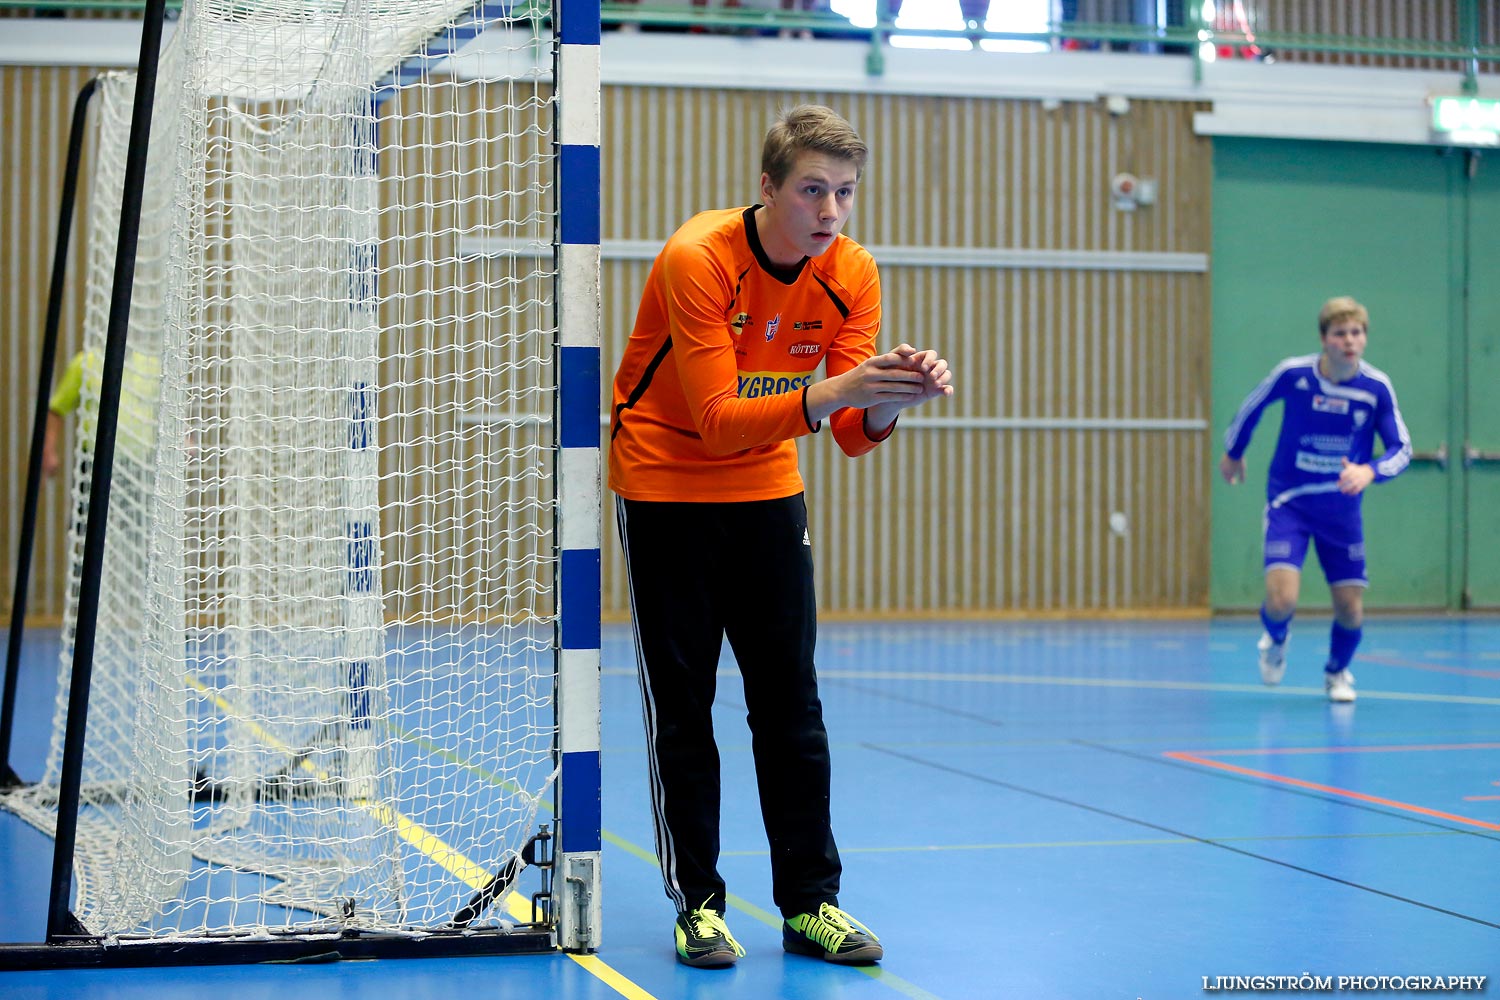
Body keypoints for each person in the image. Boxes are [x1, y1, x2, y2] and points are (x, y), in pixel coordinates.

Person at [608, 104, 953, 968]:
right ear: (767, 189)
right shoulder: (700, 260)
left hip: (767, 490)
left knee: (791, 707)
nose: (830, 211)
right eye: (812, 190)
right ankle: (697, 905)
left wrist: (888, 397)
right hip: (666, 485)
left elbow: (847, 435)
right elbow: (720, 421)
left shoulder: (852, 273)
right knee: (685, 711)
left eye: (844, 192)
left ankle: (811, 905)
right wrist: (840, 393)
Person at [1219, 296, 1411, 703]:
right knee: (1282, 598)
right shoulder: (1293, 374)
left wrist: (1369, 471)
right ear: (1324, 339)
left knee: (1349, 609)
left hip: (1341, 512)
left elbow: (1402, 449)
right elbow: (1252, 407)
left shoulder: (1375, 388)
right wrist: (1234, 452)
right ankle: (1276, 637)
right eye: (1340, 333)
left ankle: (1337, 672)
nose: (1349, 341)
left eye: (1356, 333)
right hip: (1290, 501)